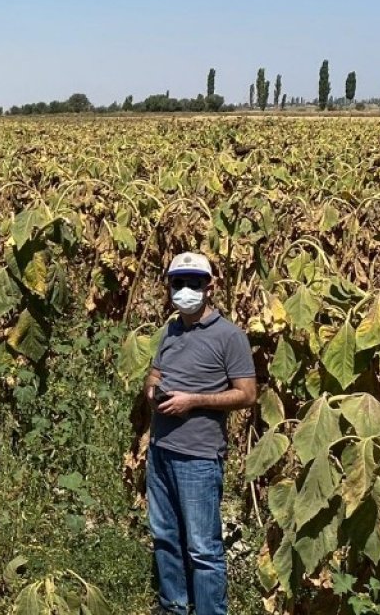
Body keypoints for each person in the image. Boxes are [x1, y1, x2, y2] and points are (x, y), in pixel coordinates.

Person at [143, 252, 257, 615]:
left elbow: (247, 394)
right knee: (164, 536)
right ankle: (173, 606)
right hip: (160, 449)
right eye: (178, 283)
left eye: (194, 282)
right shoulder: (171, 329)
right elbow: (155, 374)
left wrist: (194, 400)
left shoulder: (230, 336)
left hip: (198, 456)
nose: (186, 290)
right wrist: (151, 390)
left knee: (202, 548)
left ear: (211, 286)